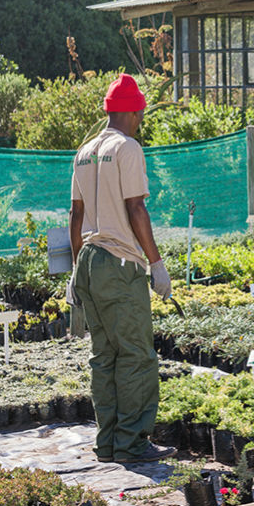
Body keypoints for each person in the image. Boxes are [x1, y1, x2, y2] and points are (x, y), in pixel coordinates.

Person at [69, 74, 175, 464]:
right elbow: (136, 208)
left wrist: (76, 271)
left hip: (90, 262)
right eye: (141, 111)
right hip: (118, 264)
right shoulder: (128, 148)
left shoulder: (84, 151)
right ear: (134, 111)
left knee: (104, 356)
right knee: (135, 356)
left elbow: (75, 215)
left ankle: (108, 443)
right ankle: (130, 444)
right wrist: (156, 263)